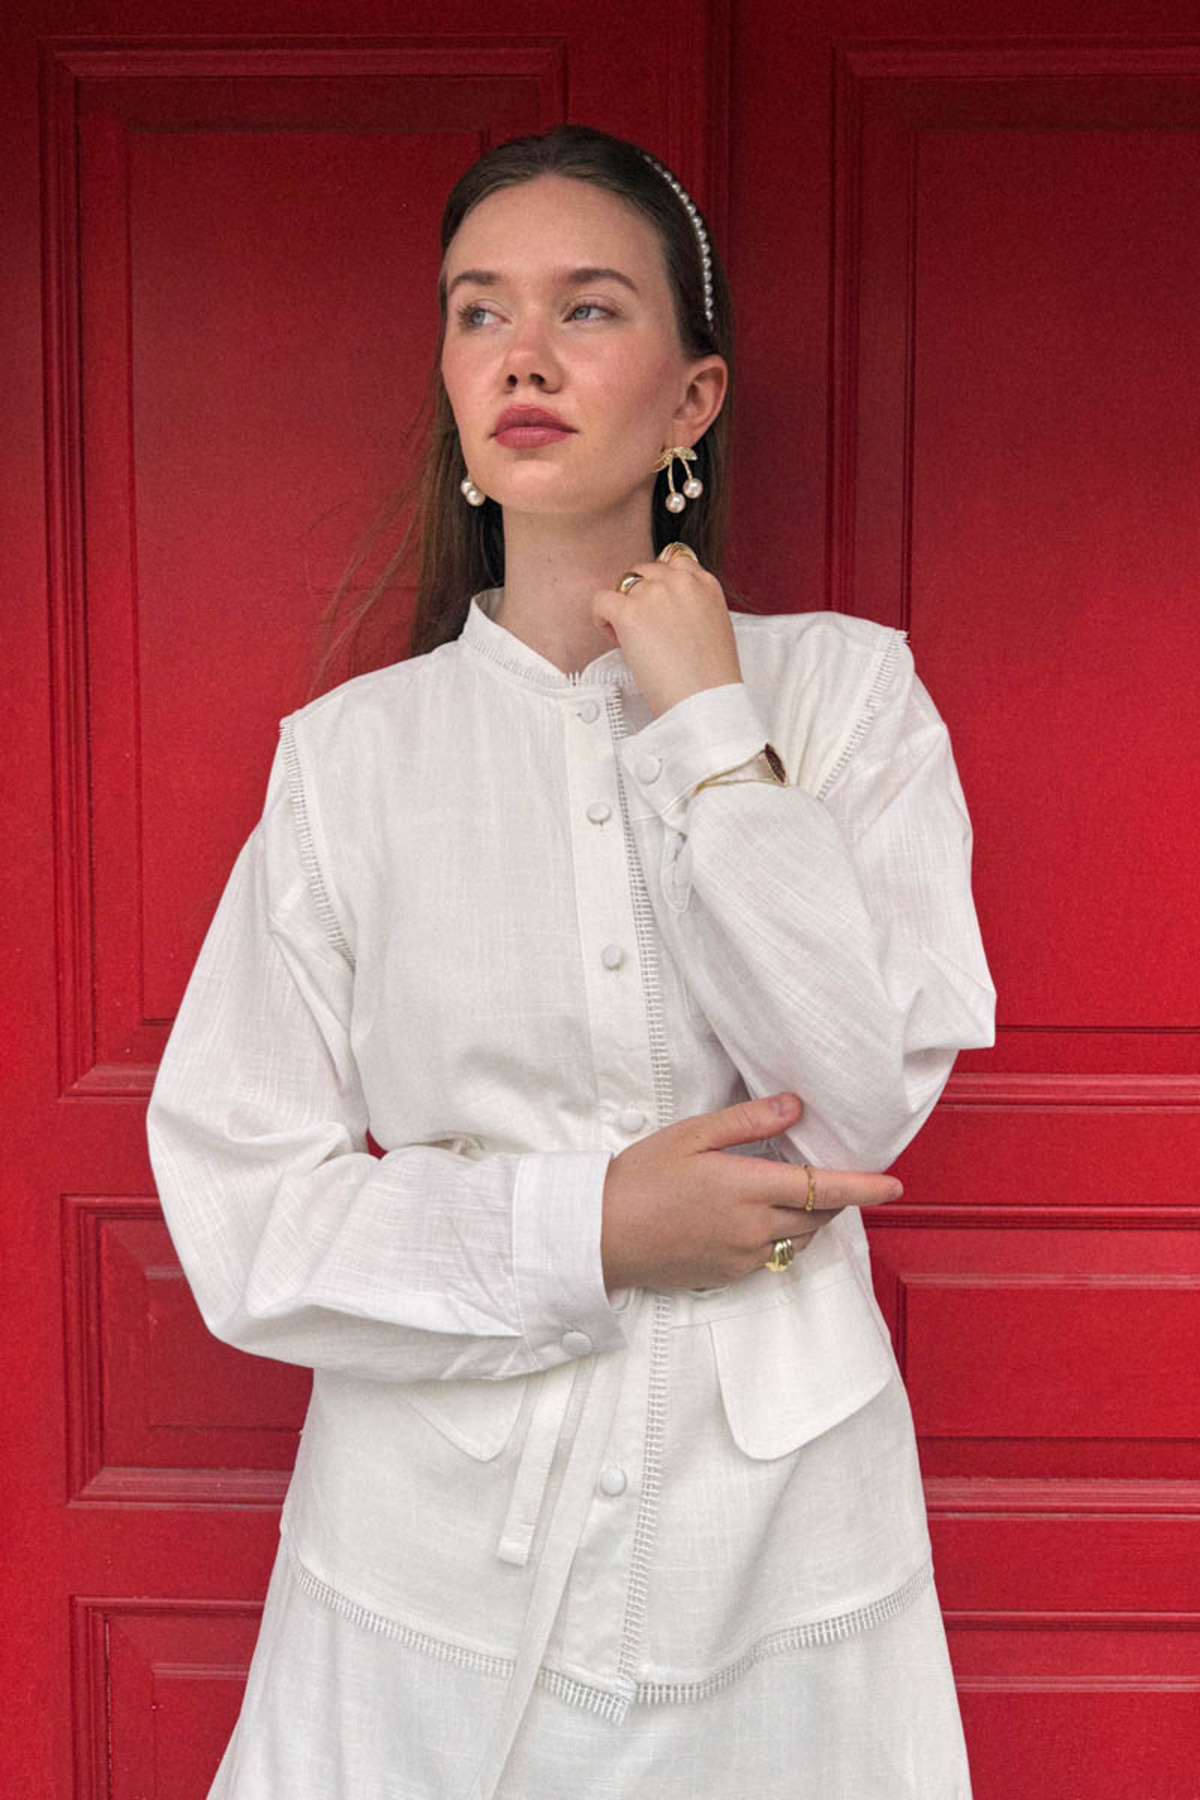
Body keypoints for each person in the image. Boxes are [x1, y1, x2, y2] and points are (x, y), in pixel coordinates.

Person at [146, 123, 997, 1800]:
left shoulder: (848, 699)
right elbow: (243, 1208)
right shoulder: (348, 760)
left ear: (693, 398)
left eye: (588, 308)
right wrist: (583, 1228)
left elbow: (855, 1108)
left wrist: (709, 727)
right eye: (479, 311)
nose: (521, 355)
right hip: (425, 1553)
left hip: (775, 1544)